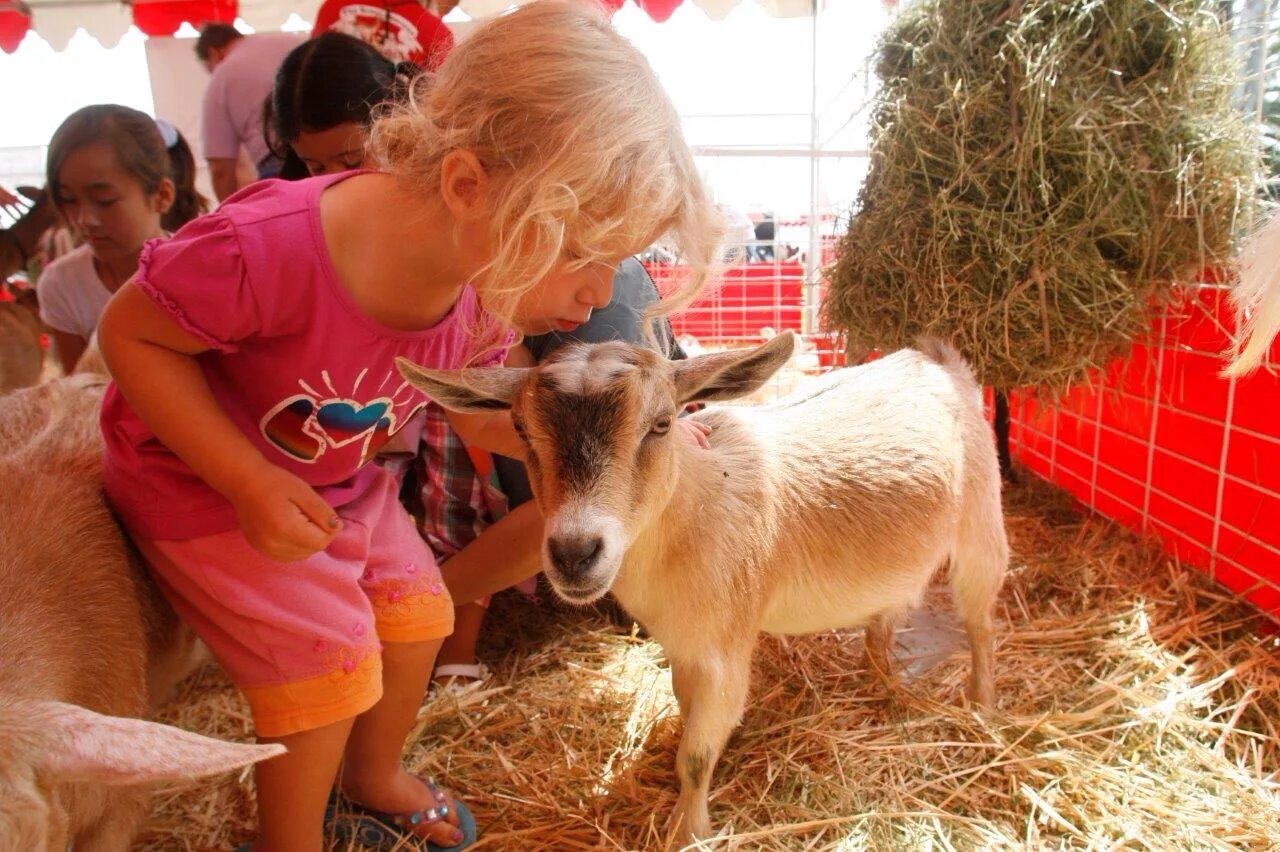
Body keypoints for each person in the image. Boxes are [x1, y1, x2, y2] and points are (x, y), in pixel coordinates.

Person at [96, 3, 721, 850]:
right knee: (329, 658)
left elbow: (490, 425)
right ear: (470, 187)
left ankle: (372, 774)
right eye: (583, 252)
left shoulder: (475, 291)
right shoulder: (268, 247)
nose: (598, 291)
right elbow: (131, 334)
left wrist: (635, 449)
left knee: (420, 611)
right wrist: (245, 479)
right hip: (202, 477)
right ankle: (289, 841)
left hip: (333, 480)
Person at [37, 106, 206, 374]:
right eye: (69, 200)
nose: (84, 219)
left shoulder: (204, 272)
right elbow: (80, 392)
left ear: (162, 196)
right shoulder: (62, 284)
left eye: (105, 201)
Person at [267, 32, 412, 179]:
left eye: (352, 162)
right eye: (317, 168)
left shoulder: (428, 185)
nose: (333, 180)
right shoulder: (296, 187)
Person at [195, 23, 301, 199]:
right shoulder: (291, 40)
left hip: (278, 163)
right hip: (335, 150)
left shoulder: (221, 78)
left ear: (214, 53)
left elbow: (220, 170)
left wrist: (229, 217)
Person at [311, 0, 453, 68]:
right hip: (396, 124)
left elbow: (306, 69)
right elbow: (437, 101)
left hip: (328, 119)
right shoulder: (437, 31)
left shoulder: (333, 7)